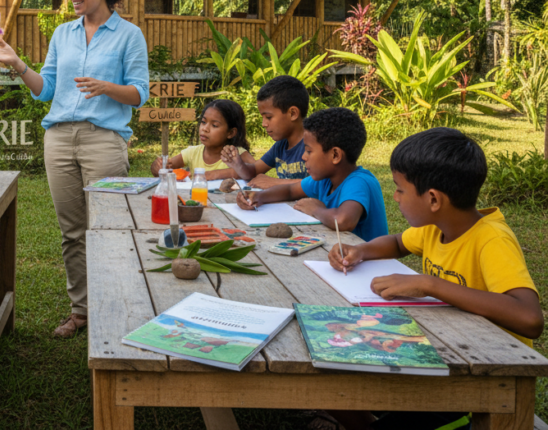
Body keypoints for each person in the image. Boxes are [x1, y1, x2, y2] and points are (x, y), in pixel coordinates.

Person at [0, 0, 149, 338]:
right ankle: (82, 312)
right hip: (58, 139)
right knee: (72, 232)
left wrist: (106, 88)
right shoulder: (62, 34)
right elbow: (46, 91)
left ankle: (116, 307)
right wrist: (18, 64)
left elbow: (140, 94)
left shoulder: (129, 35)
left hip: (103, 140)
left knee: (108, 228)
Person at [327, 129, 543, 430]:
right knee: (336, 371)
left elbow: (529, 318)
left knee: (342, 382)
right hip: (445, 353)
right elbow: (399, 243)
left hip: (484, 375)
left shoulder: (491, 239)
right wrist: (360, 251)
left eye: (400, 189)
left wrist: (430, 284)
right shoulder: (435, 227)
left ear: (432, 199)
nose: (396, 197)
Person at [236, 107, 387, 241]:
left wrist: (316, 210)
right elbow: (289, 191)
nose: (303, 157)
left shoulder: (358, 182)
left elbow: (343, 221)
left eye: (309, 151)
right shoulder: (325, 180)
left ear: (335, 155)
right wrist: (258, 197)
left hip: (370, 267)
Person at [224, 75, 309, 188]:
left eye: (268, 117)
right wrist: (238, 164)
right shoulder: (280, 146)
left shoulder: (315, 144)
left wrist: (276, 183)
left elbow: (323, 184)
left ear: (293, 113)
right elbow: (254, 171)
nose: (264, 124)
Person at [150, 99, 254, 179]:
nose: (205, 128)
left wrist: (216, 174)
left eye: (214, 125)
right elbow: (167, 167)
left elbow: (256, 171)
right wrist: (157, 167)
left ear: (230, 133)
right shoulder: (192, 153)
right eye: (203, 122)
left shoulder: (237, 155)